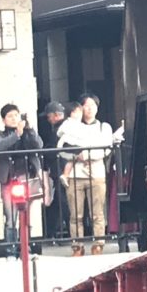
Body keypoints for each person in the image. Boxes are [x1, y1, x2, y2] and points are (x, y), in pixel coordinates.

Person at [55, 95, 120, 255]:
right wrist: (78, 154)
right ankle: (77, 246)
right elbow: (61, 148)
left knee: (97, 212)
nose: (89, 108)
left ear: (97, 108)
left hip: (96, 173)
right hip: (75, 175)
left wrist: (87, 155)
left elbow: (106, 148)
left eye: (92, 105)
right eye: (86, 105)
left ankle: (98, 244)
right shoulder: (72, 126)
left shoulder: (103, 127)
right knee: (75, 214)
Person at [0, 103, 44, 258]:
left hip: (27, 177)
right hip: (9, 180)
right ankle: (10, 251)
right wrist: (16, 135)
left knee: (26, 216)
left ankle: (25, 249)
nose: (14, 118)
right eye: (10, 116)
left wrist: (29, 129)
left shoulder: (28, 132)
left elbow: (38, 145)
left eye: (16, 115)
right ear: (3, 119)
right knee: (11, 217)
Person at [39, 102, 74, 246]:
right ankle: (52, 232)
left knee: (64, 203)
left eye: (49, 117)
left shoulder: (62, 129)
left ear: (56, 115)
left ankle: (70, 234)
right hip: (58, 170)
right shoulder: (60, 128)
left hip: (62, 170)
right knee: (57, 203)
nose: (48, 120)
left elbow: (57, 150)